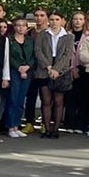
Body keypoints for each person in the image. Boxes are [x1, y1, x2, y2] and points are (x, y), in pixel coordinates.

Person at [34, 10, 75, 138]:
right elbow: (38, 51)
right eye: (51, 19)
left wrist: (56, 69)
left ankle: (56, 129)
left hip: (60, 70)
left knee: (58, 101)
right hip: (44, 69)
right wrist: (48, 66)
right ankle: (46, 128)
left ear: (62, 20)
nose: (54, 22)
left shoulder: (68, 36)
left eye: (57, 19)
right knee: (46, 100)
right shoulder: (42, 34)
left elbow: (67, 54)